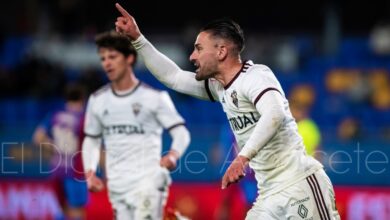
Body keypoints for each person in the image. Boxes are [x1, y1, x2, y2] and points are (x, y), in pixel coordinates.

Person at [114, 3, 340, 219]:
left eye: (199, 48)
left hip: (299, 183)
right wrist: (138, 39)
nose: (192, 56)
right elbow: (173, 77)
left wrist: (242, 158)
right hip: (269, 194)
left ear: (221, 51)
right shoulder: (219, 87)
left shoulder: (256, 76)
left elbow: (275, 114)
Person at [81, 31, 190, 220]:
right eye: (103, 58)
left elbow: (181, 132)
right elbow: (91, 140)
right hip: (116, 184)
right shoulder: (97, 100)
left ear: (130, 58)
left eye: (113, 57)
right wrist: (90, 173)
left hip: (149, 180)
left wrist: (173, 155)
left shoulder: (154, 98)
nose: (107, 63)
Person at [33, 83, 88, 220]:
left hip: (56, 170)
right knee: (77, 210)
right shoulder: (84, 119)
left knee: (63, 210)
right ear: (83, 99)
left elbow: (38, 137)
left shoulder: (55, 115)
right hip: (75, 171)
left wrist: (55, 148)